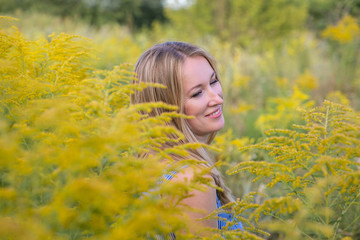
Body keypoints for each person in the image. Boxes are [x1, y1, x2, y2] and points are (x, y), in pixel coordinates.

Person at [131, 41, 242, 235]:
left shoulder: (146, 161)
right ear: (165, 108)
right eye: (197, 93)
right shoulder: (192, 181)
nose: (217, 98)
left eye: (214, 81)